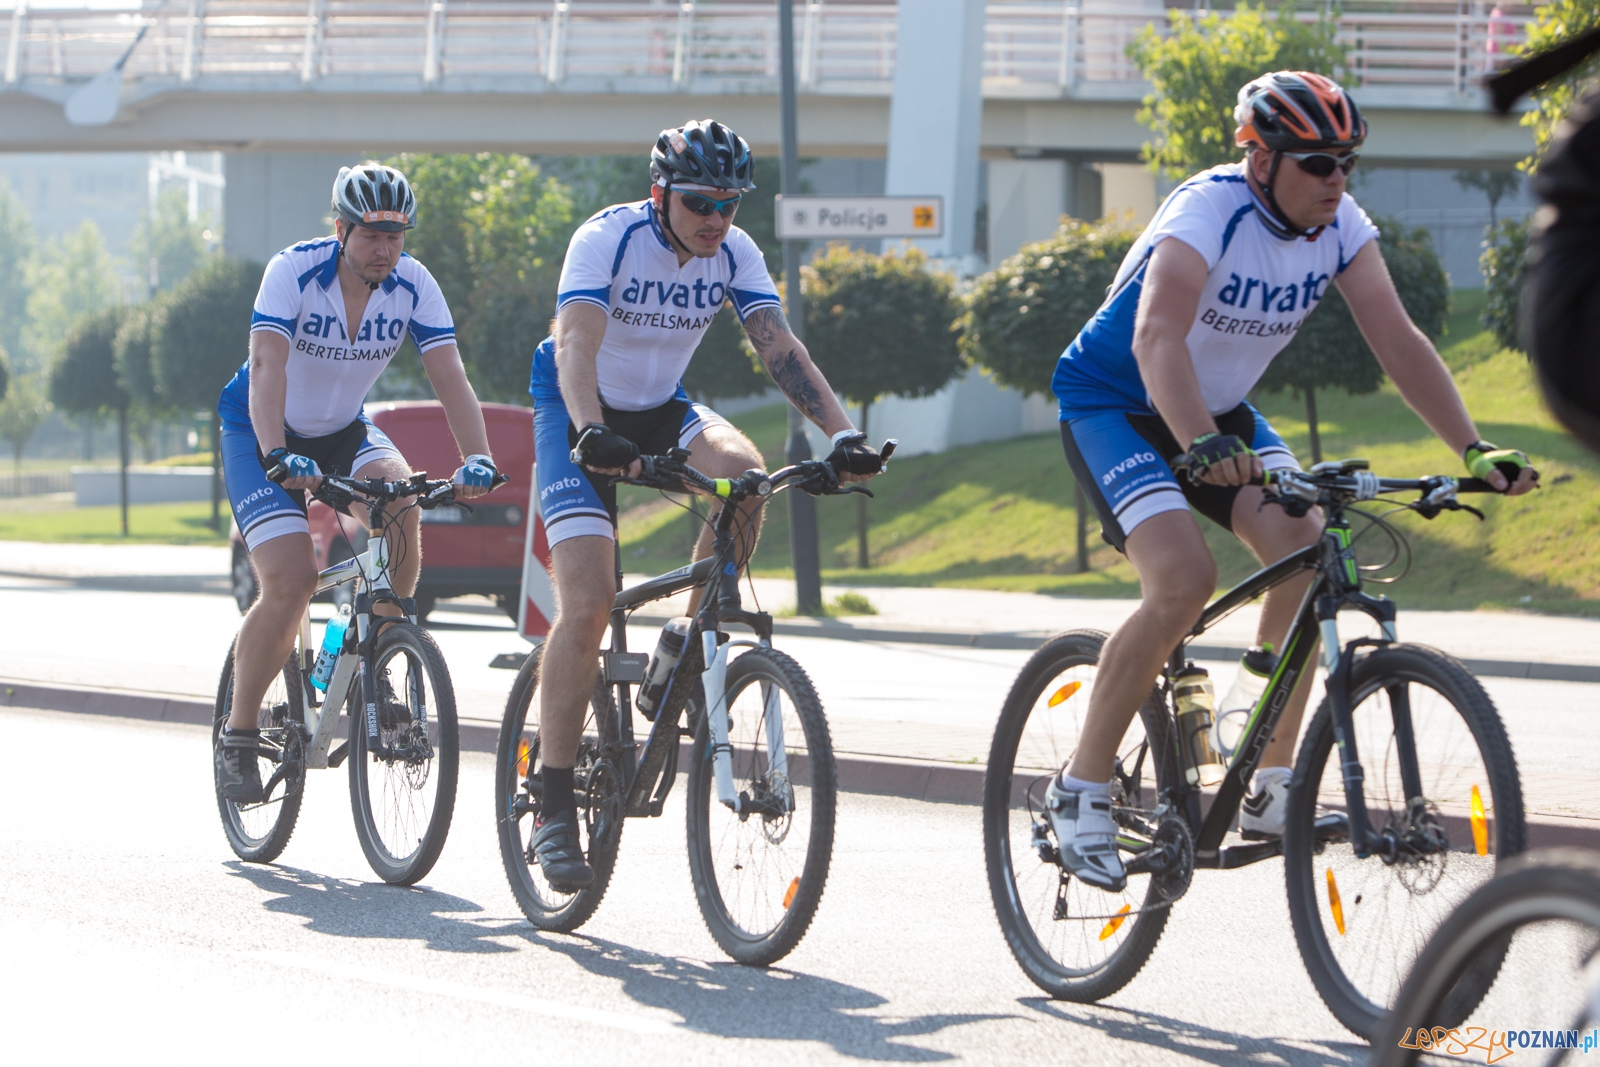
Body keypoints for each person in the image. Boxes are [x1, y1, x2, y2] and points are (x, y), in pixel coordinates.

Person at [1047, 72, 1539, 891]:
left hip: (1222, 411)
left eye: (1347, 160)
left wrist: (1473, 446)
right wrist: (1199, 442)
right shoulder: (1209, 209)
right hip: (1116, 401)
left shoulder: (1341, 224)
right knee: (1182, 579)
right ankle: (1080, 790)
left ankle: (1268, 777)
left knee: (1309, 546)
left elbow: (1399, 341)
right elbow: (1157, 336)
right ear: (1261, 157)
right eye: (1317, 162)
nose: (1336, 178)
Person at [527, 119, 884, 890]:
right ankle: (554, 802)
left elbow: (780, 347)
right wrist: (591, 432)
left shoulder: (735, 252)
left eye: (729, 203)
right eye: (699, 202)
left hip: (660, 407)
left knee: (747, 479)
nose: (715, 218)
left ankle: (681, 640)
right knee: (587, 604)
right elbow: (576, 347)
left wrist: (844, 433)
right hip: (575, 408)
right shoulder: (606, 239)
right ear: (661, 194)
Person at [215, 162, 501, 803]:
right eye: (372, 234)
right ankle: (238, 734)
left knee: (400, 499)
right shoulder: (293, 271)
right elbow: (266, 366)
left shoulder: (414, 285)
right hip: (259, 429)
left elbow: (448, 373)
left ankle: (381, 645)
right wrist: (275, 453)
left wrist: (477, 456)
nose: (385, 249)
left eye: (396, 236)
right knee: (290, 582)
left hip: (343, 430)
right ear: (341, 229)